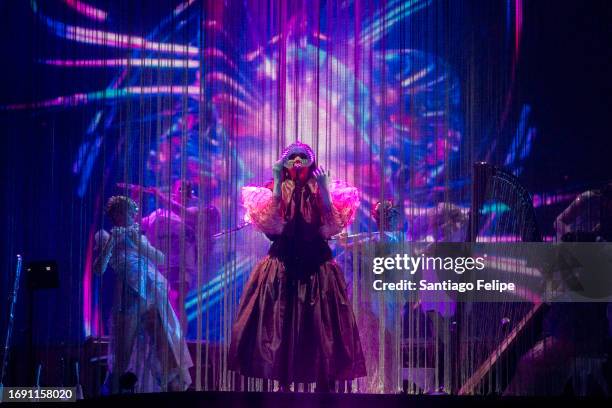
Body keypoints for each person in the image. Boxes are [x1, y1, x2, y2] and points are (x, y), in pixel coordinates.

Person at [228, 142, 366, 391]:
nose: (298, 160)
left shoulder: (323, 188)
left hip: (318, 266)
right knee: (282, 321)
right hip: (284, 265)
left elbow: (330, 227)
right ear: (284, 162)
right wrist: (279, 183)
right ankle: (283, 385)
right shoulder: (273, 189)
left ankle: (325, 388)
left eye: (304, 156)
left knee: (320, 325)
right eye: (293, 157)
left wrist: (324, 191)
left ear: (312, 161)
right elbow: (273, 226)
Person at [93, 196, 193, 393]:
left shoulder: (138, 235)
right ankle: (116, 389)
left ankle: (175, 388)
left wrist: (141, 244)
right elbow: (99, 269)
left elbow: (160, 258)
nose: (133, 217)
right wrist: (113, 242)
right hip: (129, 295)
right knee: (124, 354)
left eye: (132, 213)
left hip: (150, 290)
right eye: (127, 213)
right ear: (117, 215)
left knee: (163, 343)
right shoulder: (106, 236)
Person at [123, 180, 221, 327]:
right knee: (157, 306)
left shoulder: (195, 213)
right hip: (158, 267)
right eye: (181, 188)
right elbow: (134, 225)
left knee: (176, 299)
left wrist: (160, 196)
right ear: (174, 191)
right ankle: (164, 341)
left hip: (181, 266)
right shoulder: (158, 214)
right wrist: (135, 198)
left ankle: (180, 343)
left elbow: (182, 211)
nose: (184, 192)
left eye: (188, 189)